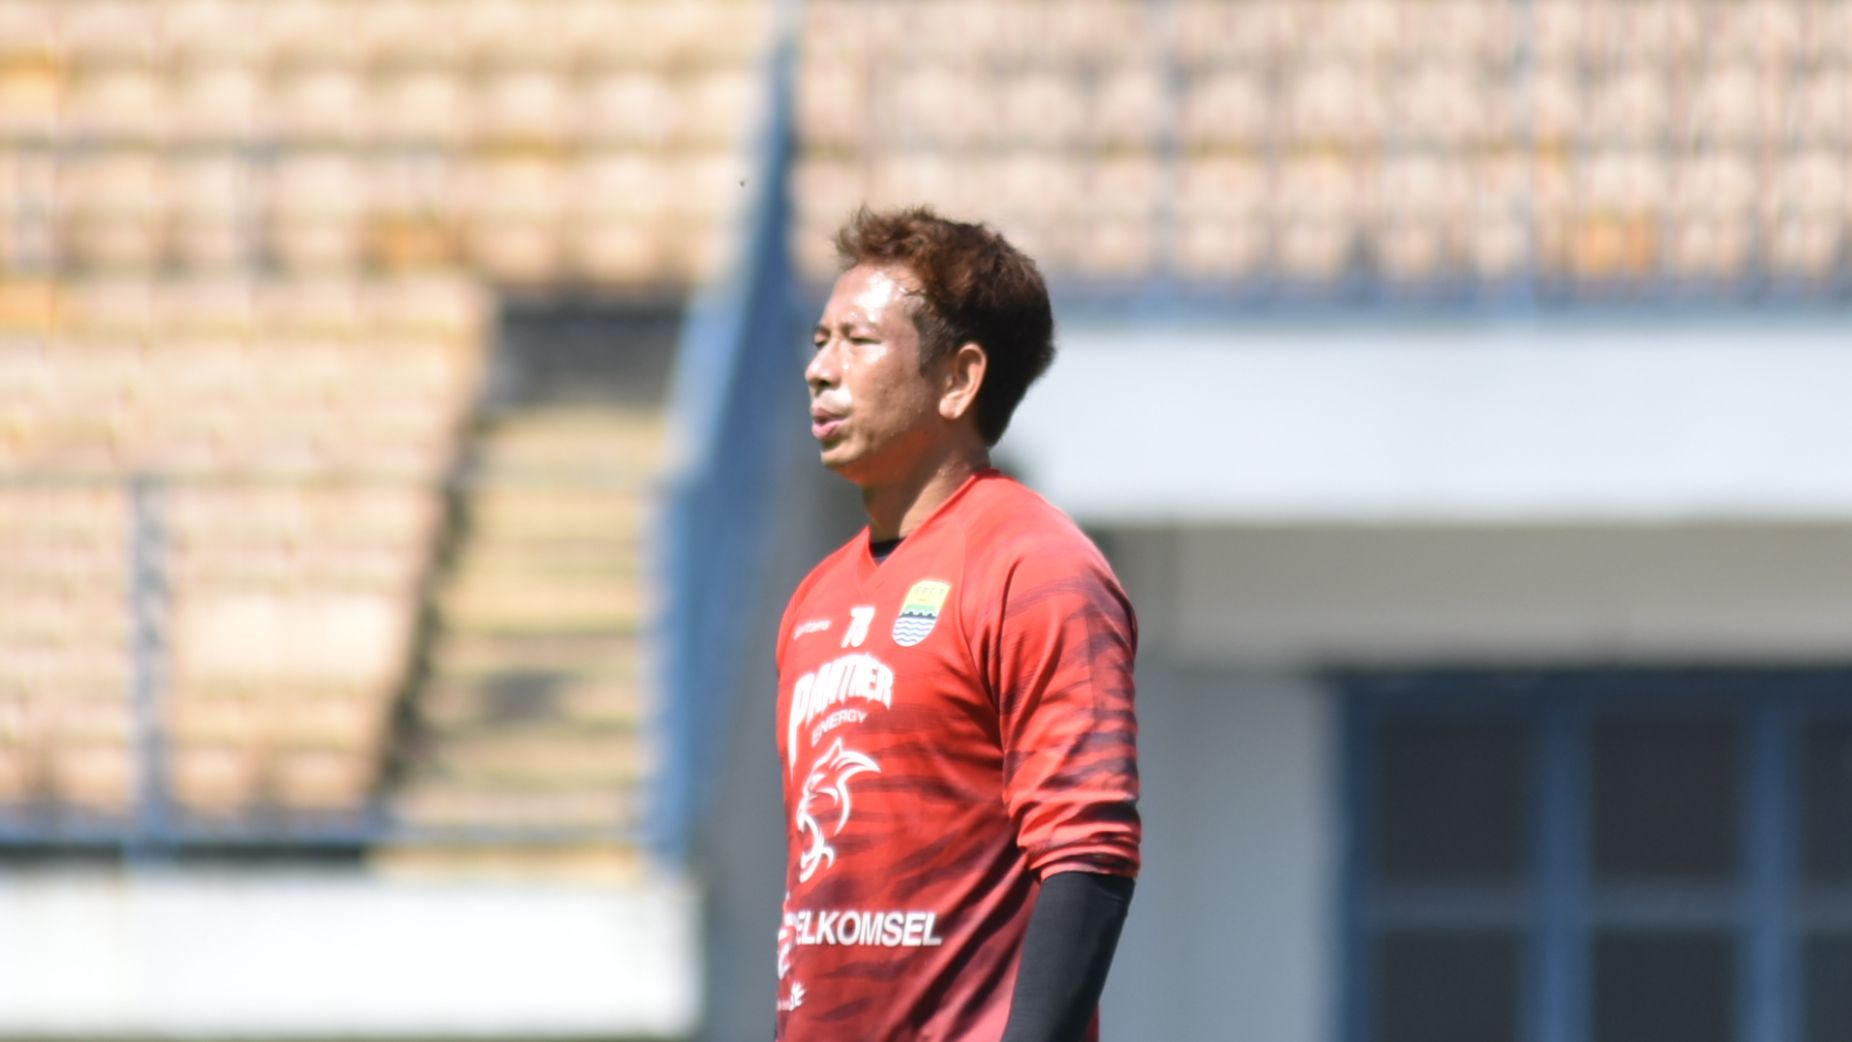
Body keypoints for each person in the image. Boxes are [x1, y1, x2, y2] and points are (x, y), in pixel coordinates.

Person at [774, 206, 1140, 1042]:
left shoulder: (1037, 567)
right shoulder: (812, 603)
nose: (819, 370)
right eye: (818, 339)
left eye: (858, 343)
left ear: (958, 379)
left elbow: (1090, 853)